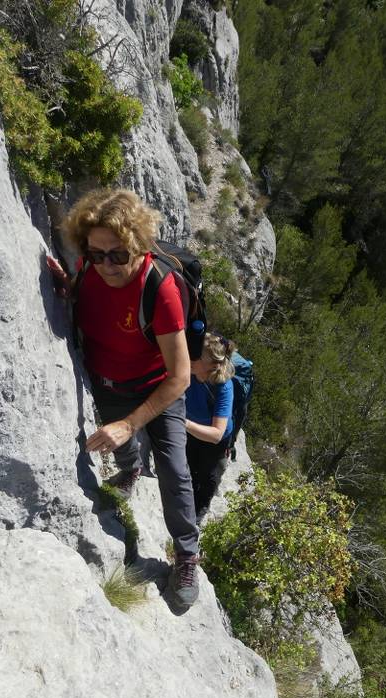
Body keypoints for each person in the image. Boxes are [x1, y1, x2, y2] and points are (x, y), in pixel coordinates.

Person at [48, 188, 199, 610]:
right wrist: (68, 286)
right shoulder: (91, 270)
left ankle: (186, 555)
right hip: (109, 381)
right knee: (124, 447)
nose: (107, 265)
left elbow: (181, 376)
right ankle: (131, 470)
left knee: (173, 470)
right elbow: (90, 295)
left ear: (139, 246)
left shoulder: (160, 290)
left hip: (157, 387)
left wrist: (132, 422)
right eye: (96, 255)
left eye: (118, 255)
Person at [185, 333, 235, 526]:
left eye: (197, 356)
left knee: (208, 476)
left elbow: (216, 434)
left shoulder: (223, 387)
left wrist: (183, 423)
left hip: (215, 440)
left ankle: (200, 510)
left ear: (211, 365)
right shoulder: (188, 370)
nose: (190, 357)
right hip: (192, 431)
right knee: (189, 468)